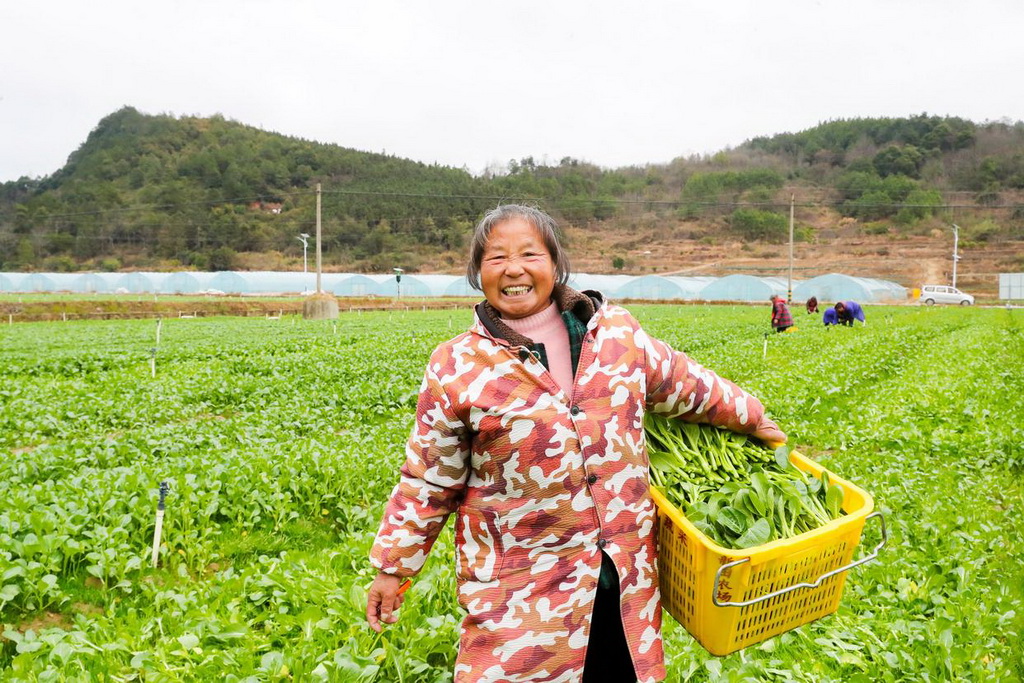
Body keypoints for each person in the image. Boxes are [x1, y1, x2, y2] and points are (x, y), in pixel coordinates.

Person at [366, 204, 786, 683]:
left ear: (554, 263)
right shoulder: (458, 366)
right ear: (477, 272)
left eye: (530, 253)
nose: (514, 269)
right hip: (520, 591)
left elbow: (687, 384)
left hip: (623, 578)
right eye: (496, 258)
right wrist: (393, 568)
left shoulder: (617, 336)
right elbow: (428, 478)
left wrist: (758, 420)